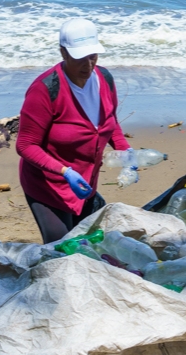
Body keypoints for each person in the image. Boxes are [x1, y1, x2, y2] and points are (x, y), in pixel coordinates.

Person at [15, 18, 133, 244]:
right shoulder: (45, 89)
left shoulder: (105, 79)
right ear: (63, 53)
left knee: (92, 244)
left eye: (93, 56)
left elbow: (110, 122)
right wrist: (65, 171)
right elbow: (25, 145)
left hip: (85, 182)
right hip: (48, 184)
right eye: (80, 57)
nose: (88, 65)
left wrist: (126, 152)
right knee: (61, 248)